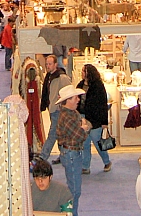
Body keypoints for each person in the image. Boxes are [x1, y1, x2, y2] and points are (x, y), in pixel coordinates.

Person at [55, 84, 91, 216]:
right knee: (74, 191)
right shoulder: (68, 116)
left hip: (72, 153)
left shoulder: (71, 113)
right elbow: (80, 135)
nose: (78, 100)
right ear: (68, 100)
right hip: (71, 154)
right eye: (76, 97)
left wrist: (84, 128)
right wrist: (84, 128)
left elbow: (85, 127)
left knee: (75, 189)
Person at [78, 63, 112, 173]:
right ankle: (85, 166)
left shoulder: (98, 86)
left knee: (97, 142)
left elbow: (102, 104)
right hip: (82, 117)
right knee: (85, 143)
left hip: (95, 119)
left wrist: (104, 121)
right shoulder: (80, 85)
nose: (82, 73)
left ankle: (107, 161)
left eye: (84, 71)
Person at [39, 55, 73, 164]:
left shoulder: (62, 78)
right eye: (47, 64)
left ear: (55, 64)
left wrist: (61, 104)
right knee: (60, 134)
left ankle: (42, 157)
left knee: (52, 134)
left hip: (57, 110)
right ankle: (64, 156)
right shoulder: (49, 76)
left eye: (50, 64)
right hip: (52, 109)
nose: (48, 66)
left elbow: (70, 92)